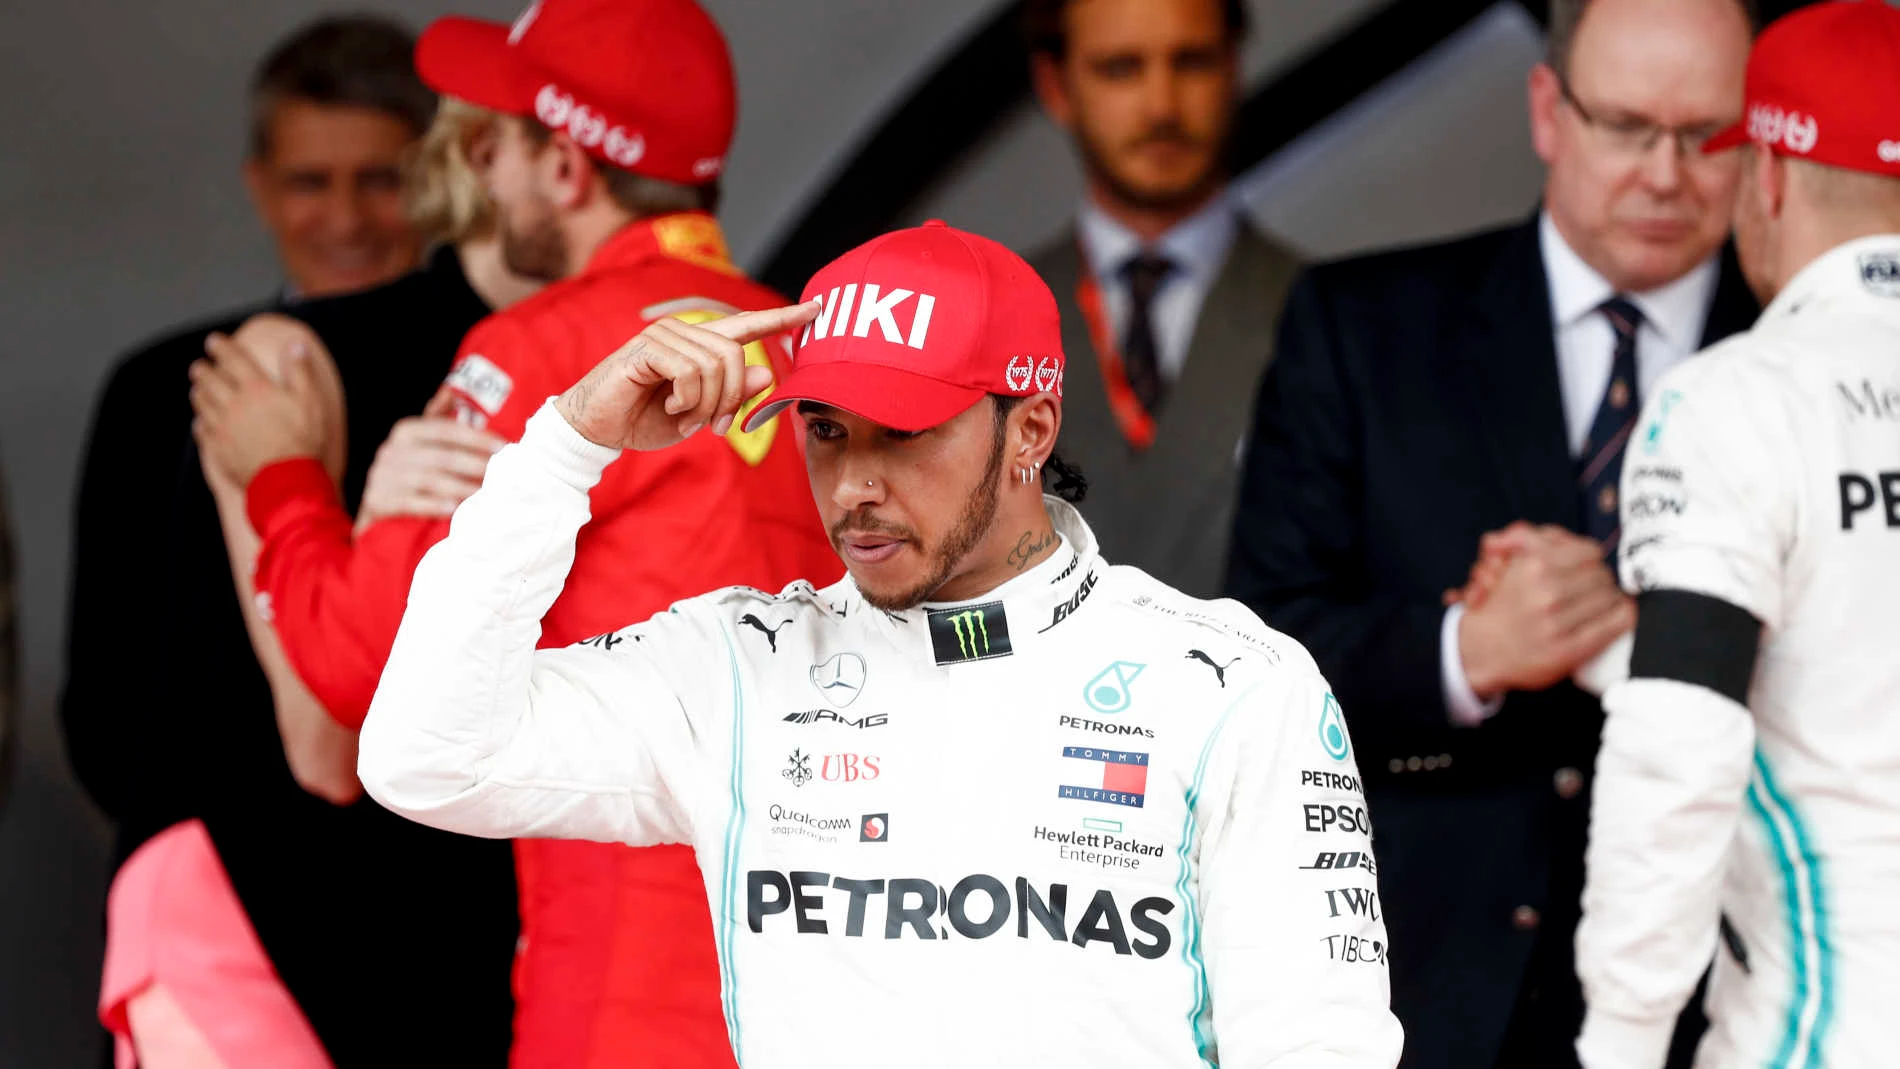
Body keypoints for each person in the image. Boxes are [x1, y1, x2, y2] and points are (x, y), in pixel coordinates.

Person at [351, 218, 1404, 1067]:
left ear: (1030, 430)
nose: (853, 487)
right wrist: (568, 446)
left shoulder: (1231, 686)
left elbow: (1322, 1048)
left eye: (901, 434)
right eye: (824, 431)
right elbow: (428, 755)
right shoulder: (739, 665)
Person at [188, 1, 839, 1064]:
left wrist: (281, 477)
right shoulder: (822, 362)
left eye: (502, 143)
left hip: (622, 998)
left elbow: (363, 668)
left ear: (567, 168)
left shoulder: (544, 350)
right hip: (837, 991)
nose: (481, 179)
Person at [1221, 0, 1762, 1064]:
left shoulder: (1817, 357)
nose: (1665, 173)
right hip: (1419, 987)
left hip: (1731, 985)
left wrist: (1659, 630)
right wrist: (1463, 651)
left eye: (1708, 135)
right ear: (1547, 111)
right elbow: (1250, 659)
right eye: (1624, 126)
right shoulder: (1362, 325)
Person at [60, 16, 455, 1067]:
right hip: (219, 923)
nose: (344, 217)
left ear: (438, 179)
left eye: (379, 179)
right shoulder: (160, 391)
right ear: (257, 182)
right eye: (309, 181)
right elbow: (101, 703)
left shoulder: (494, 372)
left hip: (445, 918)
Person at [1575, 3, 1900, 1065]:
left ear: (1766, 175)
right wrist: (1602, 644)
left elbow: (1681, 746)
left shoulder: (1736, 399)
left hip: (1825, 1030)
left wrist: (1618, 1042)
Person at [1024, 0, 1301, 598]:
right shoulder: (976, 318)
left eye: (1192, 62)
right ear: (1055, 85)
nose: (1161, 106)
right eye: (1121, 67)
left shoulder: (1337, 323)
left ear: (1234, 67)